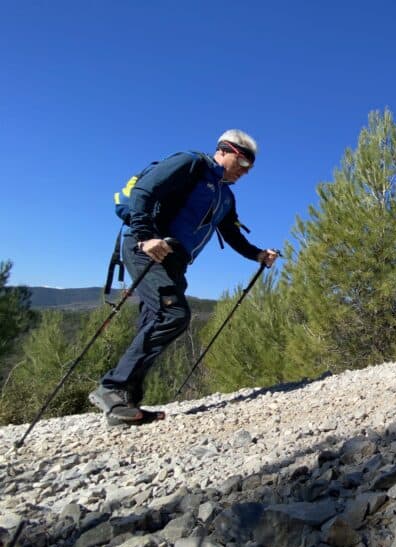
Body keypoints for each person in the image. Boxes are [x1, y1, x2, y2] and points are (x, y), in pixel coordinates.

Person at [89, 129, 279, 426]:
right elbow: (144, 191)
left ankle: (125, 405)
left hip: (175, 260)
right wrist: (145, 235)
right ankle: (112, 388)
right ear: (225, 150)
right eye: (243, 164)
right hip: (148, 247)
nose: (245, 172)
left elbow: (230, 233)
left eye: (250, 169)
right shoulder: (191, 164)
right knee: (173, 314)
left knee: (154, 320)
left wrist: (256, 254)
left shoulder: (225, 196)